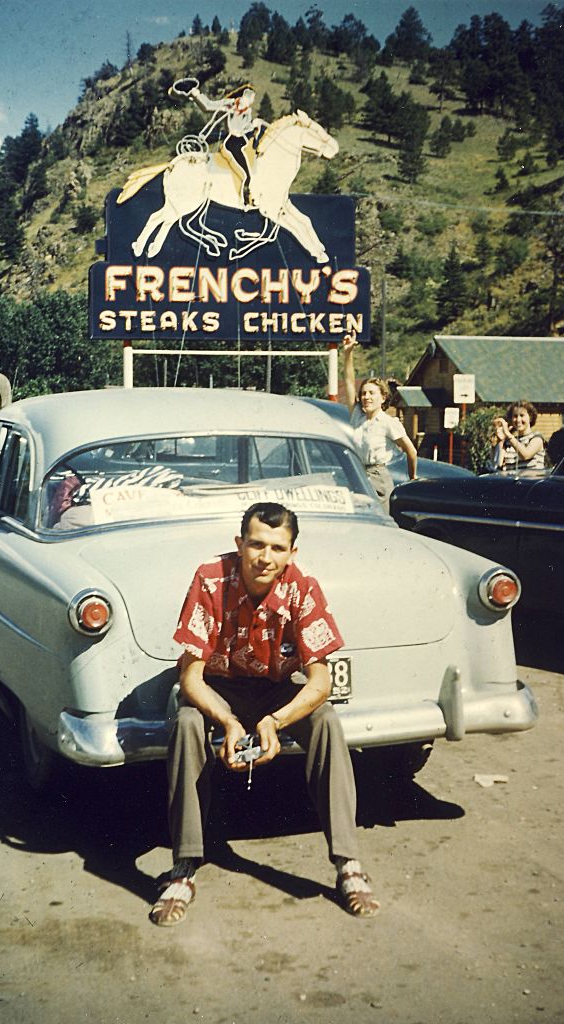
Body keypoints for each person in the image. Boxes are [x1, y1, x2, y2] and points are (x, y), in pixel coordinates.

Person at [150, 501, 380, 927]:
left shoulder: (302, 587)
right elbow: (191, 678)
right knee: (184, 724)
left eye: (277, 548)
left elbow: (320, 682)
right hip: (217, 689)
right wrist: (229, 722)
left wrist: (276, 721)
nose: (265, 557)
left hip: (273, 690)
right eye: (256, 544)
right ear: (239, 544)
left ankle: (348, 862)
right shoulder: (211, 580)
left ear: (292, 552)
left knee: (327, 720)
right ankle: (184, 865)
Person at [342, 332, 417, 513]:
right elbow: (349, 382)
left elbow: (411, 450)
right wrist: (348, 353)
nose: (366, 397)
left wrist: (412, 477)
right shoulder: (357, 416)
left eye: (371, 393)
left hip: (377, 477)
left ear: (383, 397)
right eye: (364, 393)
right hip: (357, 474)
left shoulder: (387, 422)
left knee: (380, 521)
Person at [186, 82, 265, 207]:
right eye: (252, 98)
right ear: (246, 96)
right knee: (245, 173)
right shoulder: (229, 104)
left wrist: (253, 125)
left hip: (240, 141)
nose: (253, 101)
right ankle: (244, 197)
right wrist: (196, 94)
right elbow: (208, 106)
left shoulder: (247, 112)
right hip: (231, 142)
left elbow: (244, 129)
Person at [491, 400, 545, 472]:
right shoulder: (509, 442)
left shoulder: (537, 438)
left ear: (531, 417)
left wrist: (508, 434)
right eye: (515, 416)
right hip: (512, 482)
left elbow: (525, 455)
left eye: (522, 415)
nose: (518, 420)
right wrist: (500, 441)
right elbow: (497, 465)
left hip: (531, 482)